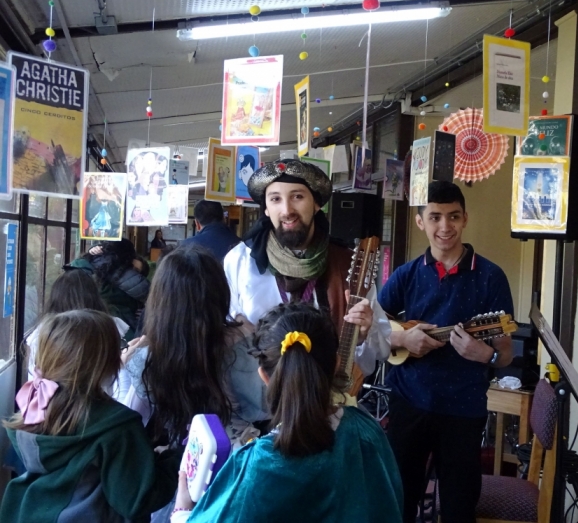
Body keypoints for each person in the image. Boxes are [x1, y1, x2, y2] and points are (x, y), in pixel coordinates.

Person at [169, 302, 403, 523]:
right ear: (336, 364)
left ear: (264, 376)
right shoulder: (367, 431)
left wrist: (182, 510)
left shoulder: (258, 465)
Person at [378, 180, 514, 523]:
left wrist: (484, 355)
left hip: (463, 409)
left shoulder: (491, 277)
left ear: (465, 218)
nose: (445, 226)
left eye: (453, 216)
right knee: (397, 501)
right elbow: (372, 329)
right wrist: (403, 340)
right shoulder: (406, 274)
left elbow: (505, 354)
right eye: (435, 217)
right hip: (409, 402)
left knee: (459, 507)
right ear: (420, 221)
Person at [224, 159, 391, 393]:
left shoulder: (349, 265)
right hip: (259, 401)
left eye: (297, 196)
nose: (287, 210)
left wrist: (363, 335)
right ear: (266, 209)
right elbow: (227, 341)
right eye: (275, 199)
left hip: (327, 400)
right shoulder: (241, 261)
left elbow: (381, 350)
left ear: (316, 204)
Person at [0, 310, 180, 523]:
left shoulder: (34, 408)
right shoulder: (117, 426)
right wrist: (173, 461)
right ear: (106, 363)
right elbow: (137, 500)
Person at [125, 245, 267, 448]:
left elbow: (130, 418)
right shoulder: (241, 344)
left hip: (185, 458)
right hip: (238, 456)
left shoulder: (147, 358)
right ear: (220, 292)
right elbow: (267, 408)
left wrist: (123, 366)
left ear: (159, 300)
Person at [24, 268, 133, 403]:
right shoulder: (109, 327)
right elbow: (117, 380)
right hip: (102, 403)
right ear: (95, 297)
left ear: (54, 298)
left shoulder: (42, 333)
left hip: (49, 404)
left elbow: (33, 377)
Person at [70, 238, 150, 341]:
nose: (132, 271)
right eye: (131, 265)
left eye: (136, 270)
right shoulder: (109, 273)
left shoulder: (90, 267)